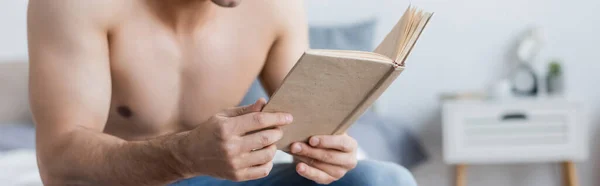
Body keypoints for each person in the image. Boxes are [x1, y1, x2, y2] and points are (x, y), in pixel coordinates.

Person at [27, 0, 417, 185]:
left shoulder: (276, 8)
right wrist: (181, 154)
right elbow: (57, 161)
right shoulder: (76, 5)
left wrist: (330, 152)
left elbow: (305, 132)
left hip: (219, 182)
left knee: (382, 180)